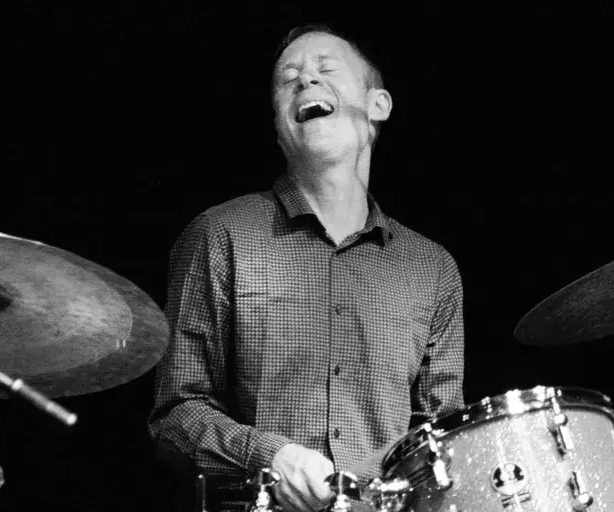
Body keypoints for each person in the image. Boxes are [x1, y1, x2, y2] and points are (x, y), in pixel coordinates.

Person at [148, 23, 465, 512]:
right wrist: (271, 458)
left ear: (378, 105)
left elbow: (443, 438)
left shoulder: (433, 268)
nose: (306, 82)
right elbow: (174, 417)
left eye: (327, 70)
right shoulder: (220, 235)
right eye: (288, 78)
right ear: (279, 125)